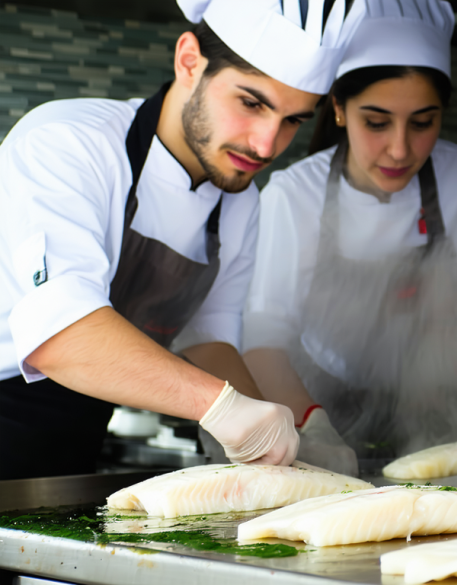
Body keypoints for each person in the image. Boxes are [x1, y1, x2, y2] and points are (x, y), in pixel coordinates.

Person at [0, 0, 353, 480]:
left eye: (293, 119)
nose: (267, 145)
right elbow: (60, 338)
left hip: (73, 441)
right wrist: (221, 408)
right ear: (189, 61)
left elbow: (208, 336)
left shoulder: (239, 199)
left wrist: (282, 437)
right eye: (251, 103)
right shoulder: (67, 143)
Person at [235, 0, 457, 474]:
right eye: (376, 122)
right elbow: (265, 335)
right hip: (319, 414)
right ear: (339, 109)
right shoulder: (293, 195)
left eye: (423, 122)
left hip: (452, 422)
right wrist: (312, 425)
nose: (399, 148)